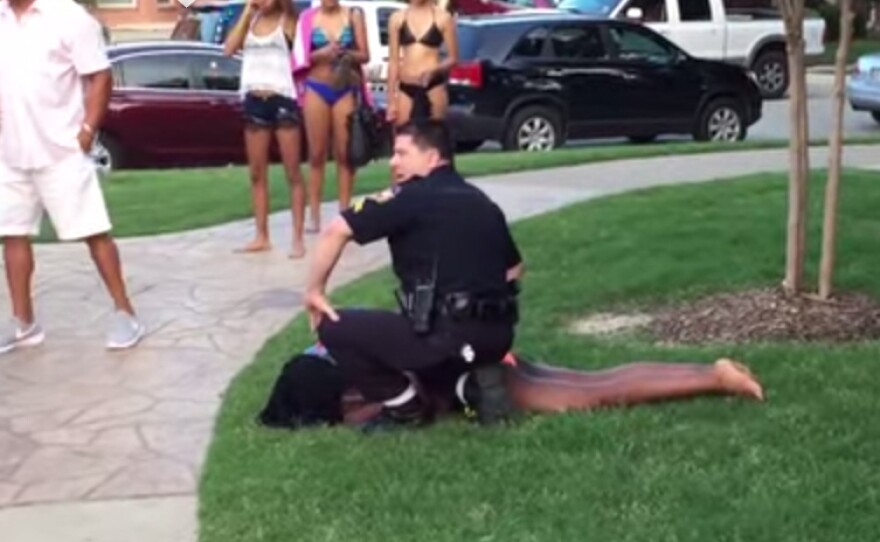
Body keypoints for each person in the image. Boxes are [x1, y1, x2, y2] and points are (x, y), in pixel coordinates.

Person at [303, 119, 522, 432]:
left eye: (401, 153)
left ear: (432, 157)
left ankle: (404, 408)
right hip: (497, 338)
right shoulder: (482, 201)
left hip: (445, 337)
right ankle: (473, 384)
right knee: (425, 339)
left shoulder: (407, 196)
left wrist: (314, 291)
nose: (394, 162)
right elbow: (514, 269)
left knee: (335, 327)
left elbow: (335, 231)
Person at [0, 0, 145, 355]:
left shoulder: (67, 16)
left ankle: (126, 313)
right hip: (10, 151)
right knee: (12, 235)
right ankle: (24, 324)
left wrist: (86, 131)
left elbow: (100, 75)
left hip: (61, 150)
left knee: (93, 231)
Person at [257, 343, 765, 430]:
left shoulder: (355, 384)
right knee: (593, 381)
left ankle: (713, 377)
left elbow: (399, 408)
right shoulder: (337, 348)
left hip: (474, 376)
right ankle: (710, 372)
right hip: (478, 352)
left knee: (594, 393)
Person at [224, 0, 307, 258]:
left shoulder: (289, 20)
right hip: (253, 98)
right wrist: (249, 10)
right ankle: (262, 236)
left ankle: (297, 238)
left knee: (292, 172)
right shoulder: (250, 20)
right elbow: (228, 49)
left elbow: (300, 43)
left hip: (282, 98)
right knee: (256, 173)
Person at [291, 0, 371, 233]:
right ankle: (314, 215)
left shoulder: (353, 15)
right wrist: (320, 54)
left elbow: (365, 54)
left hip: (345, 86)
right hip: (317, 86)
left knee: (345, 154)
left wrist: (346, 53)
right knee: (316, 154)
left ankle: (344, 212)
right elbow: (298, 57)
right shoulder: (307, 18)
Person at [386, 0, 458, 126]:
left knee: (433, 136)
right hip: (406, 86)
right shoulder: (397, 18)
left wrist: (434, 71)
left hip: (433, 86)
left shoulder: (443, 18)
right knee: (404, 136)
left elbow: (453, 58)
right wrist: (391, 100)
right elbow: (393, 62)